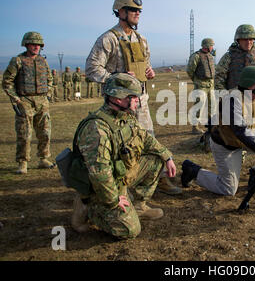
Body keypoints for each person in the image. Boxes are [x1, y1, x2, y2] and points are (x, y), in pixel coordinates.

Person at [85, 0, 182, 195]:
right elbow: (92, 69)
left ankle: (158, 180)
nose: (138, 14)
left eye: (139, 11)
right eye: (133, 10)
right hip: (118, 107)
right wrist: (116, 77)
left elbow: (146, 65)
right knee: (122, 147)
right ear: (120, 11)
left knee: (148, 141)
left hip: (141, 102)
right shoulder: (108, 39)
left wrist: (150, 72)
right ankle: (120, 186)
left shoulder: (141, 39)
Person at [70, 73, 177, 239]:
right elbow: (100, 174)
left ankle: (139, 205)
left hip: (120, 176)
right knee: (130, 230)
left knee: (156, 160)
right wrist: (113, 200)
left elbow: (145, 138)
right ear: (119, 99)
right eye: (133, 97)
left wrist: (167, 156)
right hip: (101, 187)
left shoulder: (125, 116)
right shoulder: (97, 130)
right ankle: (89, 208)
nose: (137, 101)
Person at [181, 66, 255, 196]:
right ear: (250, 85)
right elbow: (240, 131)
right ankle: (193, 171)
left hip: (243, 140)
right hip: (226, 146)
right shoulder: (231, 100)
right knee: (228, 189)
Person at [2, 32, 56, 174]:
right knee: (24, 134)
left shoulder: (42, 61)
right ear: (26, 44)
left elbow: (50, 79)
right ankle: (23, 162)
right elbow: (7, 82)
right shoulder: (18, 61)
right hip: (25, 101)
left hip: (42, 102)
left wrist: (48, 94)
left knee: (45, 133)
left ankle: (43, 158)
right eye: (33, 44)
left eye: (38, 45)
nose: (36, 47)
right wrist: (17, 100)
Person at [214, 24, 255, 116]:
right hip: (236, 103)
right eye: (244, 39)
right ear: (238, 40)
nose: (248, 42)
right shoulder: (229, 57)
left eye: (251, 39)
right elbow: (218, 80)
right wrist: (225, 99)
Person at [186, 38, 216, 134]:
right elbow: (190, 70)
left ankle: (211, 125)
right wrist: (196, 81)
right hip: (201, 84)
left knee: (212, 106)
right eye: (211, 45)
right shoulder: (196, 56)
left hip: (211, 84)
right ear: (207, 46)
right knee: (199, 105)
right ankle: (195, 127)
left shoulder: (210, 56)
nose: (212, 47)